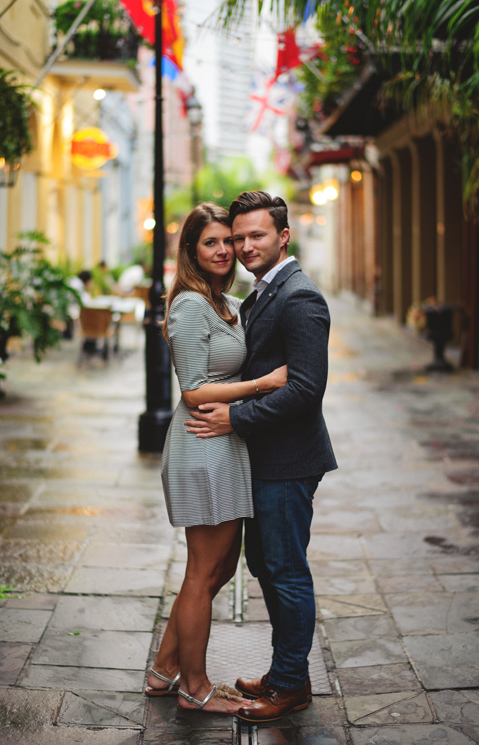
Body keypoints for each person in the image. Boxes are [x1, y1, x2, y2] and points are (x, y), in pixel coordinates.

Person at [185, 191, 337, 722]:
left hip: (289, 458)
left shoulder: (299, 297)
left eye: (256, 236)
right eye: (238, 237)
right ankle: (285, 671)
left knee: (285, 570)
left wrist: (235, 418)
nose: (245, 246)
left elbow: (306, 390)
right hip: (267, 457)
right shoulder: (263, 293)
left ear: (283, 237)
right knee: (267, 567)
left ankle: (291, 684)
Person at [146, 203, 288, 714]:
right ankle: (196, 689)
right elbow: (193, 391)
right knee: (203, 573)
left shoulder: (224, 301)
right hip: (202, 442)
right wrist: (264, 384)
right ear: (190, 251)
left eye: (228, 240)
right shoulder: (188, 305)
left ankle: (165, 671)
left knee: (220, 567)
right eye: (211, 242)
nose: (226, 249)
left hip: (225, 444)